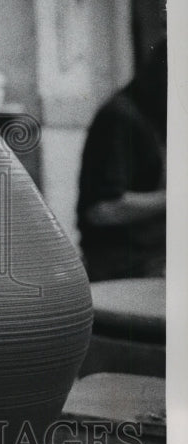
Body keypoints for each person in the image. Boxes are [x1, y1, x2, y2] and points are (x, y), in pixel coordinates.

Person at [77, 38, 167, 282]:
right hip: (123, 267)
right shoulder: (120, 117)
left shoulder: (160, 115)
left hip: (157, 257)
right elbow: (101, 210)